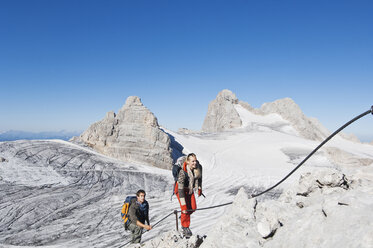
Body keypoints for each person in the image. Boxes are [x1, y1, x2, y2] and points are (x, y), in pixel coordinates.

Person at [174, 153, 203, 237]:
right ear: (187, 162)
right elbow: (180, 189)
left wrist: (199, 188)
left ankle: (183, 217)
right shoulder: (182, 172)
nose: (195, 163)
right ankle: (185, 227)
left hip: (189, 189)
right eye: (193, 161)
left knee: (193, 208)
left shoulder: (198, 168)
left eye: (195, 160)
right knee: (185, 208)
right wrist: (183, 207)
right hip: (180, 190)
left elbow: (199, 178)